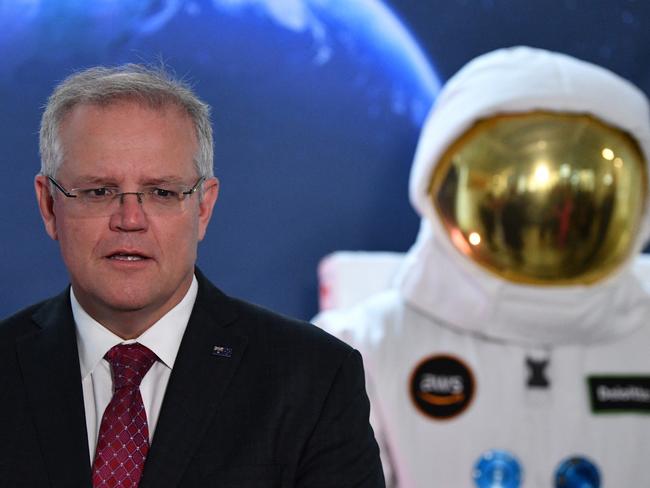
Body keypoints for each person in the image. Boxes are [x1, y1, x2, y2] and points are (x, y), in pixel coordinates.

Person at [0, 64, 384, 488]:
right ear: (49, 205)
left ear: (203, 207)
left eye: (162, 192)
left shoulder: (313, 379)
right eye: (99, 191)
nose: (130, 220)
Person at [316, 46, 650, 487]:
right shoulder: (361, 350)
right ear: (437, 186)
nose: (542, 219)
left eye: (573, 196)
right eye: (515, 191)